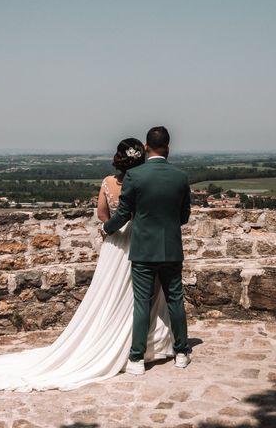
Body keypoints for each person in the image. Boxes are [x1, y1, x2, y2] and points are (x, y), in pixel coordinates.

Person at [0, 138, 175, 392]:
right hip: (142, 242)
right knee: (143, 295)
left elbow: (103, 215)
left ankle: (109, 338)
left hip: (115, 245)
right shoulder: (145, 181)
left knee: (110, 296)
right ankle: (147, 343)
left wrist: (111, 228)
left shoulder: (108, 183)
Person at [101, 126, 192, 376]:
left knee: (141, 302)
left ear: (146, 147)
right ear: (168, 147)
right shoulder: (180, 177)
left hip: (142, 250)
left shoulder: (135, 176)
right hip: (171, 248)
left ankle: (137, 359)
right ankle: (182, 352)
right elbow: (183, 216)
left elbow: (123, 214)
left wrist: (106, 229)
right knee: (176, 300)